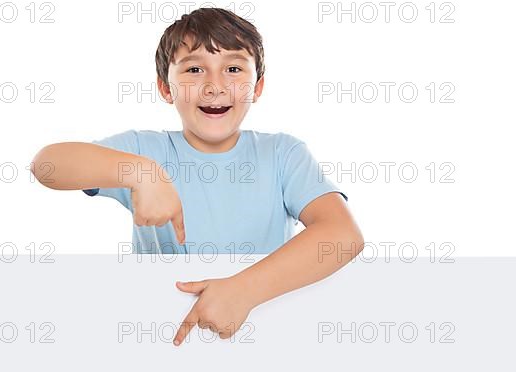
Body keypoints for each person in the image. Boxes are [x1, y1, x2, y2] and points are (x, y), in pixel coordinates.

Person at [32, 7, 364, 345]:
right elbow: (47, 164)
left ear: (258, 86)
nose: (214, 86)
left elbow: (343, 236)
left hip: (262, 330)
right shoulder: (146, 150)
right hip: (163, 333)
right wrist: (139, 172)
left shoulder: (283, 154)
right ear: (166, 88)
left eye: (233, 69)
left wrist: (244, 290)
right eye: (194, 69)